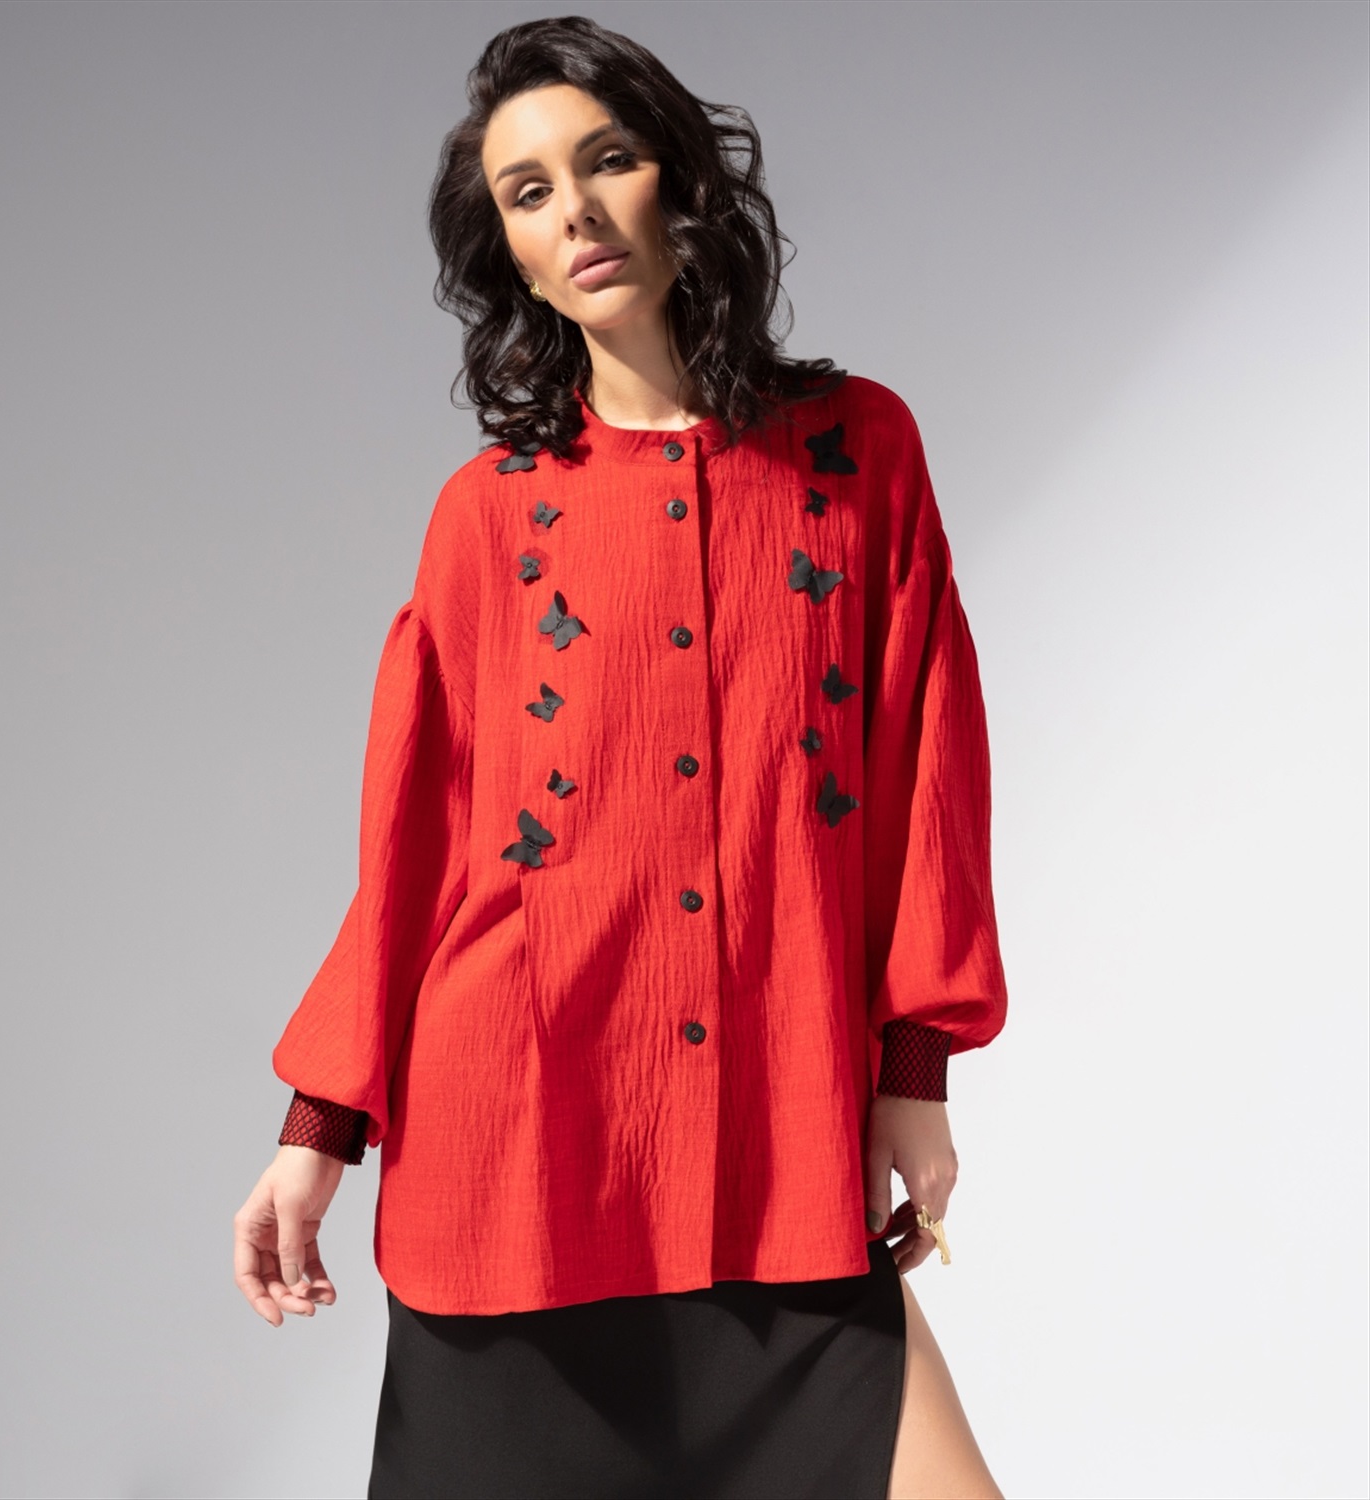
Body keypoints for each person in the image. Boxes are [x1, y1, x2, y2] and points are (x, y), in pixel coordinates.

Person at [233, 15, 1008, 1499]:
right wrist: (317, 1128)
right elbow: (415, 843)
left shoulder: (857, 455)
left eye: (608, 162)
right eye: (529, 193)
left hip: (780, 1169)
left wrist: (913, 1069)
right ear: (513, 257)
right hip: (520, 1179)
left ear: (683, 184)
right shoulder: (488, 515)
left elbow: (929, 769)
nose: (577, 212)